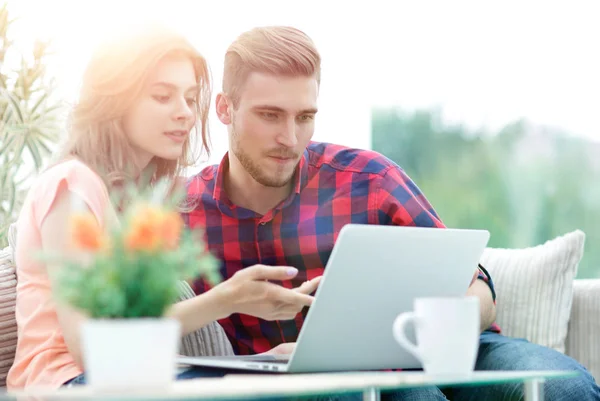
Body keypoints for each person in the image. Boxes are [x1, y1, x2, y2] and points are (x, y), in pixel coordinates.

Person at [183, 25, 600, 401]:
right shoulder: (185, 216)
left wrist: (447, 322)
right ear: (224, 109)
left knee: (568, 388)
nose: (290, 138)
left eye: (304, 117)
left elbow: (480, 287)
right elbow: (139, 327)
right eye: (270, 115)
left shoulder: (369, 179)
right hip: (324, 381)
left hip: (448, 355)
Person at [7, 24, 319, 391]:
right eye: (162, 96)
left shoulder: (127, 205)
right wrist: (226, 300)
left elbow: (131, 346)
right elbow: (91, 349)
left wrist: (257, 363)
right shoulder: (73, 185)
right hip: (68, 385)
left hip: (122, 382)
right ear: (115, 99)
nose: (185, 113)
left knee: (301, 381)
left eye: (189, 98)